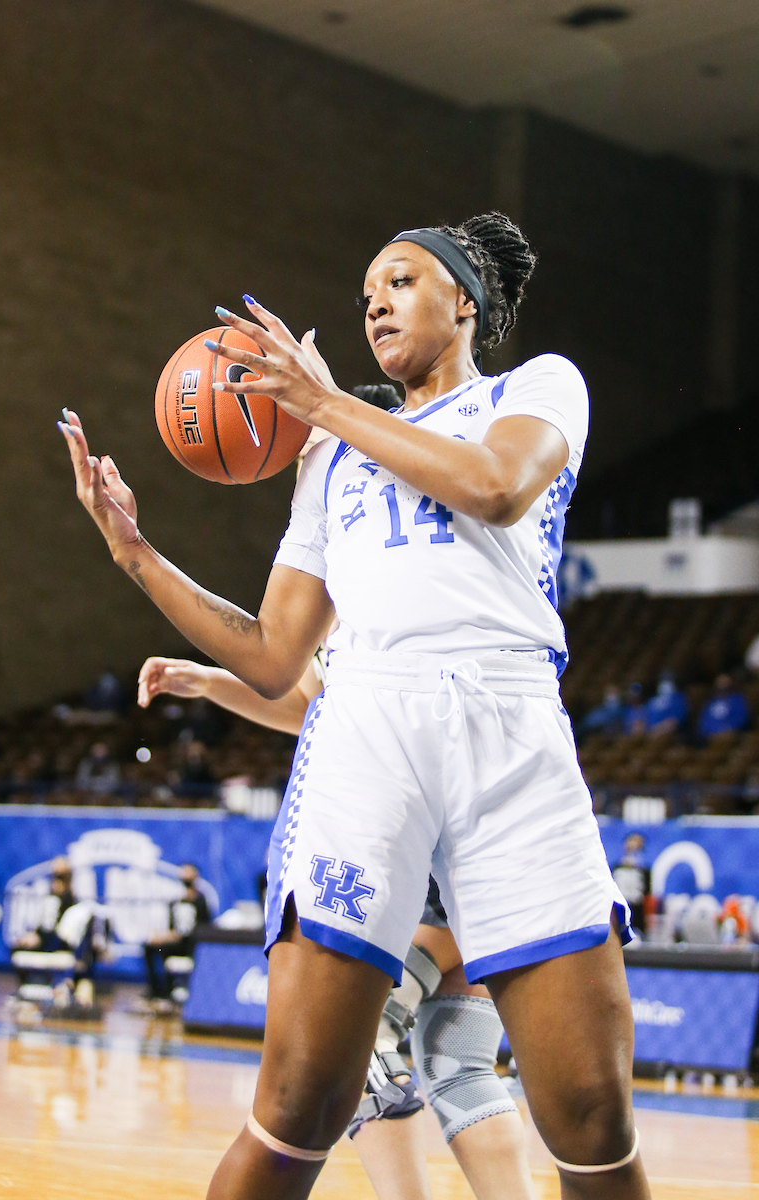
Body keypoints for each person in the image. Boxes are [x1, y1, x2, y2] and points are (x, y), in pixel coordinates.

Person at [61, 210, 647, 1199]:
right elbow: (273, 649)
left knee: (590, 1110)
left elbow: (497, 486)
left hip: (509, 731)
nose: (373, 297)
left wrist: (325, 407)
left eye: (401, 279)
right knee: (299, 1100)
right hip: (366, 736)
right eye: (365, 287)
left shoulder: (535, 388)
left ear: (464, 300)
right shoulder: (328, 459)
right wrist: (136, 554)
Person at [139, 652, 537, 1200]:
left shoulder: (340, 577)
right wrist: (213, 683)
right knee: (462, 1066)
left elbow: (308, 686)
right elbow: (312, 704)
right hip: (490, 813)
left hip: (394, 818)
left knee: (362, 1045)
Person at [142, 862, 211, 1010]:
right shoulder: (175, 900)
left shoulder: (200, 901)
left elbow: (202, 928)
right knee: (150, 948)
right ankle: (156, 992)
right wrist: (163, 935)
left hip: (190, 944)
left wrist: (172, 936)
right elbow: (171, 926)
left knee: (165, 948)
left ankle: (170, 993)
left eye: (188, 872)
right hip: (173, 941)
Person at [611, 834, 651, 937]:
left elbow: (647, 892)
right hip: (618, 907)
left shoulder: (644, 871)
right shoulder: (617, 869)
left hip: (637, 909)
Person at [697, 674, 750, 741]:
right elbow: (704, 723)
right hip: (712, 738)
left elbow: (741, 719)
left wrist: (727, 730)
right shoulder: (710, 702)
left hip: (732, 736)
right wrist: (712, 733)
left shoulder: (737, 700)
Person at [643, 674, 687, 738]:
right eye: (663, 680)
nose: (665, 684)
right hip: (652, 734)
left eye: (668, 680)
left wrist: (661, 729)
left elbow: (677, 719)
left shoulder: (678, 699)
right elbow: (647, 719)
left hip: (670, 735)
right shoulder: (652, 701)